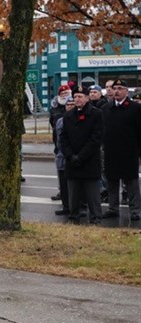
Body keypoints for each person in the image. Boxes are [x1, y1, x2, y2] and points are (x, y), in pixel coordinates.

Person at [59, 86, 104, 224]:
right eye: (75, 96)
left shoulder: (96, 114)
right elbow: (63, 138)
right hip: (72, 162)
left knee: (92, 195)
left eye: (80, 96)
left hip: (89, 161)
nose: (77, 99)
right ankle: (74, 217)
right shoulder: (68, 115)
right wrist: (70, 155)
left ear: (87, 98)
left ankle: (95, 218)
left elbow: (96, 138)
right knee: (73, 194)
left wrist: (81, 156)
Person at [101, 79, 141, 222]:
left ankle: (135, 210)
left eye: (120, 88)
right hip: (111, 152)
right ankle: (113, 208)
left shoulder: (135, 108)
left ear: (126, 91)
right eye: (114, 88)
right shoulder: (106, 108)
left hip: (129, 152)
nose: (116, 91)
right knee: (112, 181)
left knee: (131, 183)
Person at [48, 84, 72, 201]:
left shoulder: (72, 106)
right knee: (60, 168)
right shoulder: (54, 108)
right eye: (62, 94)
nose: (64, 95)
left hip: (71, 144)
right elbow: (52, 123)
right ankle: (62, 191)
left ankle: (72, 194)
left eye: (66, 93)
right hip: (58, 143)